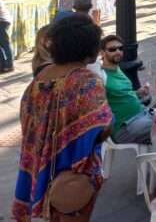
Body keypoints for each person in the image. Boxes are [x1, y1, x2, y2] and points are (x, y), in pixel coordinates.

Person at [13, 15, 112, 221]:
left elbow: (28, 123)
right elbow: (102, 129)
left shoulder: (39, 78)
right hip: (74, 173)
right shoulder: (86, 81)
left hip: (41, 168)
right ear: (88, 49)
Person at [101, 34, 153, 144]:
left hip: (142, 114)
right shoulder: (101, 76)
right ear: (102, 53)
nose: (118, 51)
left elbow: (122, 94)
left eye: (120, 48)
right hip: (125, 127)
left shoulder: (117, 69)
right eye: (112, 49)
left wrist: (138, 93)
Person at [0, 0, 14, 72]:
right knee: (4, 44)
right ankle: (4, 65)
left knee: (5, 44)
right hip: (4, 20)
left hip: (2, 21)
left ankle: (9, 65)